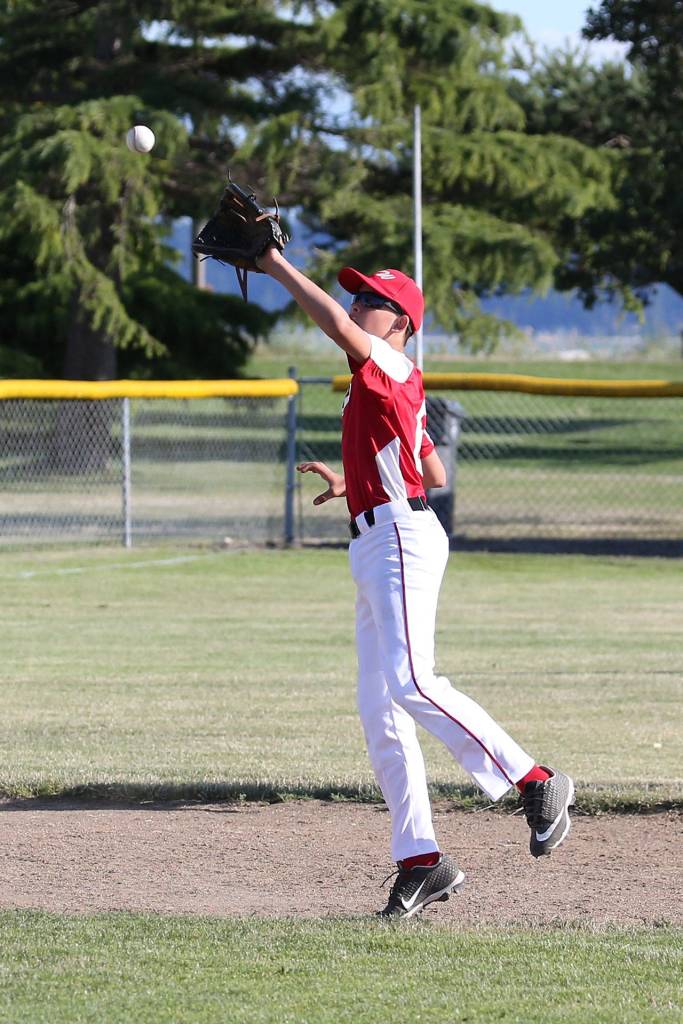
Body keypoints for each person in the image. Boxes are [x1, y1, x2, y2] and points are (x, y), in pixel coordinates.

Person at [256, 245, 574, 919]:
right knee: (380, 708)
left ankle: (535, 781)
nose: (354, 307)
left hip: (399, 538)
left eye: (369, 300)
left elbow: (338, 334)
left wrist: (271, 262)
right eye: (355, 297)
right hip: (379, 535)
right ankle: (420, 860)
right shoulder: (389, 380)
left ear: (401, 322)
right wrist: (360, 478)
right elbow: (433, 474)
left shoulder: (391, 362)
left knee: (413, 682)